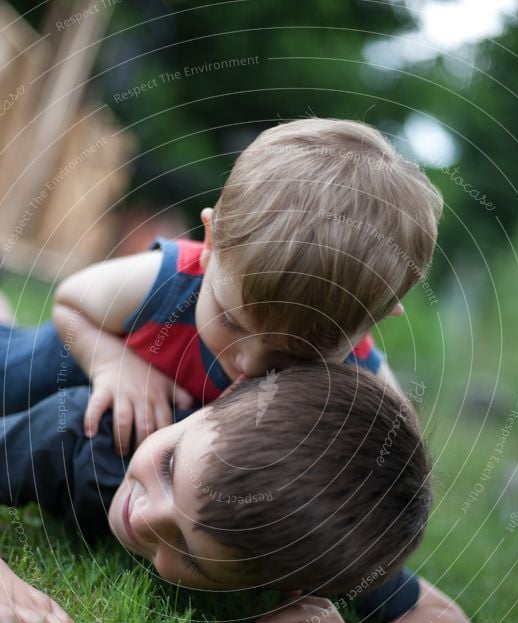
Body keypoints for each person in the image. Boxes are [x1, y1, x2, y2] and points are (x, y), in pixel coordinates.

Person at [0, 364, 478, 623]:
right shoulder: (88, 437)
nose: (143, 516)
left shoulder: (311, 545)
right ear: (221, 399)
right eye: (168, 466)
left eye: (186, 552)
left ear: (294, 586)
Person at [0, 117, 442, 457]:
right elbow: (71, 301)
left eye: (297, 356)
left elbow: (399, 456)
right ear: (210, 244)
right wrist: (112, 364)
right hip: (81, 358)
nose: (250, 364)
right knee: (14, 374)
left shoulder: (361, 377)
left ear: (374, 320)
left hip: (145, 434)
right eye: (230, 319)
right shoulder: (170, 278)